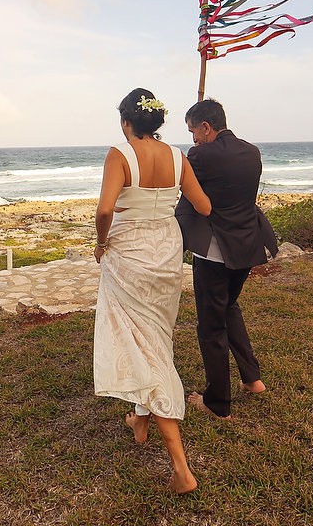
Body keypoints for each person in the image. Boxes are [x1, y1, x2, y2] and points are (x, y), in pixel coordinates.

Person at [93, 87, 212, 495]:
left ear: (127, 122)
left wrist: (100, 243)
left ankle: (181, 466)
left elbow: (105, 209)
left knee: (146, 345)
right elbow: (204, 207)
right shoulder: (179, 156)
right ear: (157, 121)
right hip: (166, 251)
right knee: (154, 337)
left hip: (129, 253)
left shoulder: (119, 154)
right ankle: (140, 420)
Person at [174, 98, 278, 419]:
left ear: (206, 127)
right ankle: (252, 379)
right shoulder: (252, 151)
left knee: (210, 326)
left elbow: (190, 191)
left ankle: (217, 402)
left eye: (194, 132)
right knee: (229, 307)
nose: (193, 139)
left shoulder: (200, 155)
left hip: (217, 251)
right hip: (248, 246)